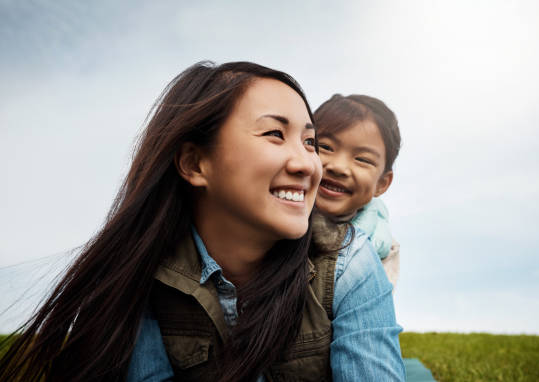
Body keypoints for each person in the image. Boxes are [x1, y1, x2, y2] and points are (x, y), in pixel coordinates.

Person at [0, 62, 405, 381]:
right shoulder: (145, 277)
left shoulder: (351, 263)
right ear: (195, 163)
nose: (308, 164)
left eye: (308, 141)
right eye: (274, 135)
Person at [313, 94, 401, 287]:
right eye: (326, 147)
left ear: (382, 183)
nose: (338, 167)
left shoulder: (378, 248)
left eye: (362, 159)